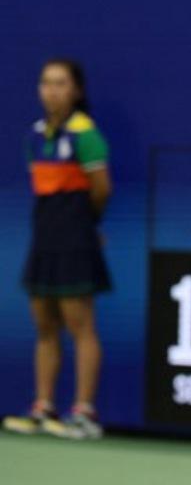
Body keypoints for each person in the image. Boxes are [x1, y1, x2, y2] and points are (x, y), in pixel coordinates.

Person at [0, 60, 112, 440]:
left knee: (81, 326)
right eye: (45, 83)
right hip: (44, 239)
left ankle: (83, 413)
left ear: (76, 90)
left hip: (76, 240)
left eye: (60, 83)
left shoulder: (86, 135)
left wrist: (86, 226)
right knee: (44, 325)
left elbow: (101, 190)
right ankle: (43, 406)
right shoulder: (34, 136)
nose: (51, 90)